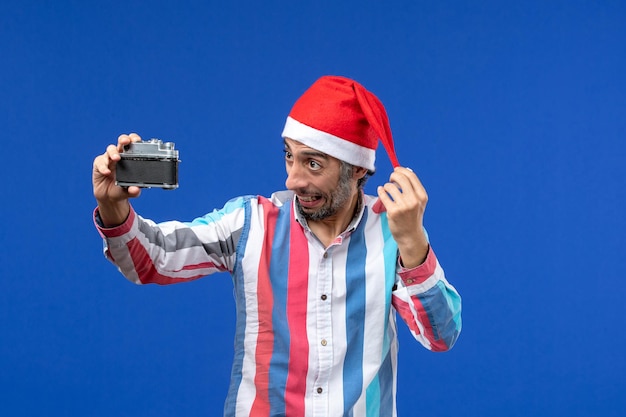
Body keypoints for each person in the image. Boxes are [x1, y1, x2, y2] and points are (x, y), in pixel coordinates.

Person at [92, 75, 462, 417]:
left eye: (313, 164)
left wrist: (413, 240)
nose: (293, 178)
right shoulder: (248, 224)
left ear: (358, 170)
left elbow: (440, 336)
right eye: (289, 155)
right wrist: (112, 205)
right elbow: (150, 261)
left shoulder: (393, 234)